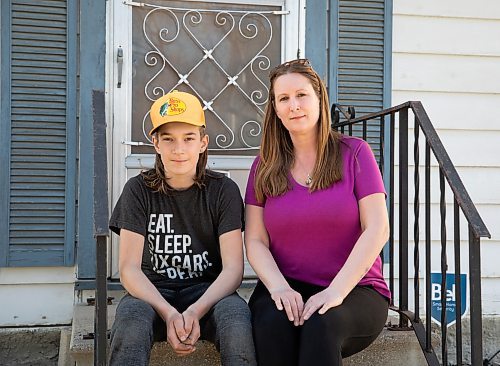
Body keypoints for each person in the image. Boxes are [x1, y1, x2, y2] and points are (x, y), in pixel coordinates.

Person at [244, 59, 391, 366]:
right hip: (286, 284)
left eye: (301, 95)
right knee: (272, 324)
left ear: (319, 99)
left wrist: (336, 291)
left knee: (322, 323)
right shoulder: (264, 166)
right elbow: (255, 240)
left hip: (355, 289)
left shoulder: (355, 153)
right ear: (275, 109)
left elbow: (377, 228)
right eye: (283, 99)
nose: (293, 105)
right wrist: (279, 287)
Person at [109, 90, 257, 365]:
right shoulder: (137, 190)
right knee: (130, 324)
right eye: (169, 139)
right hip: (152, 292)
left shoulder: (223, 190)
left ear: (202, 143)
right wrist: (168, 313)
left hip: (208, 291)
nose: (179, 149)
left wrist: (195, 311)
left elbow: (234, 269)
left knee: (236, 320)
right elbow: (129, 268)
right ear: (155, 143)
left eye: (188, 139)